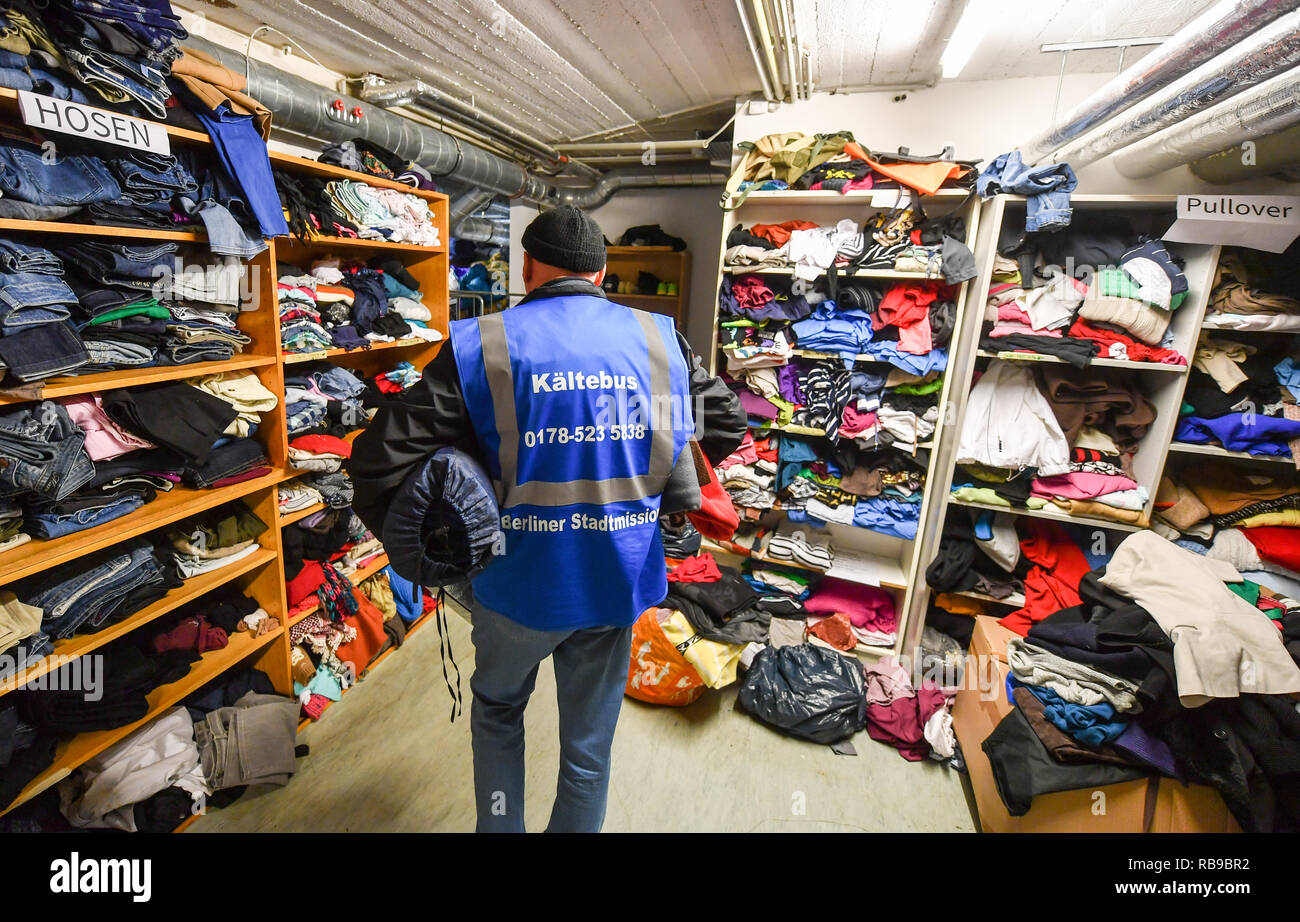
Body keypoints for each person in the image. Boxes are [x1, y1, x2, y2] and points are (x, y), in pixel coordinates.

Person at [349, 205, 744, 832]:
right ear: (603, 272)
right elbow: (725, 426)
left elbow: (377, 458)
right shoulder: (657, 338)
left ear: (528, 268)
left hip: (515, 586)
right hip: (616, 582)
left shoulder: (485, 343)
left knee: (499, 715)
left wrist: (425, 546)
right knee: (588, 751)